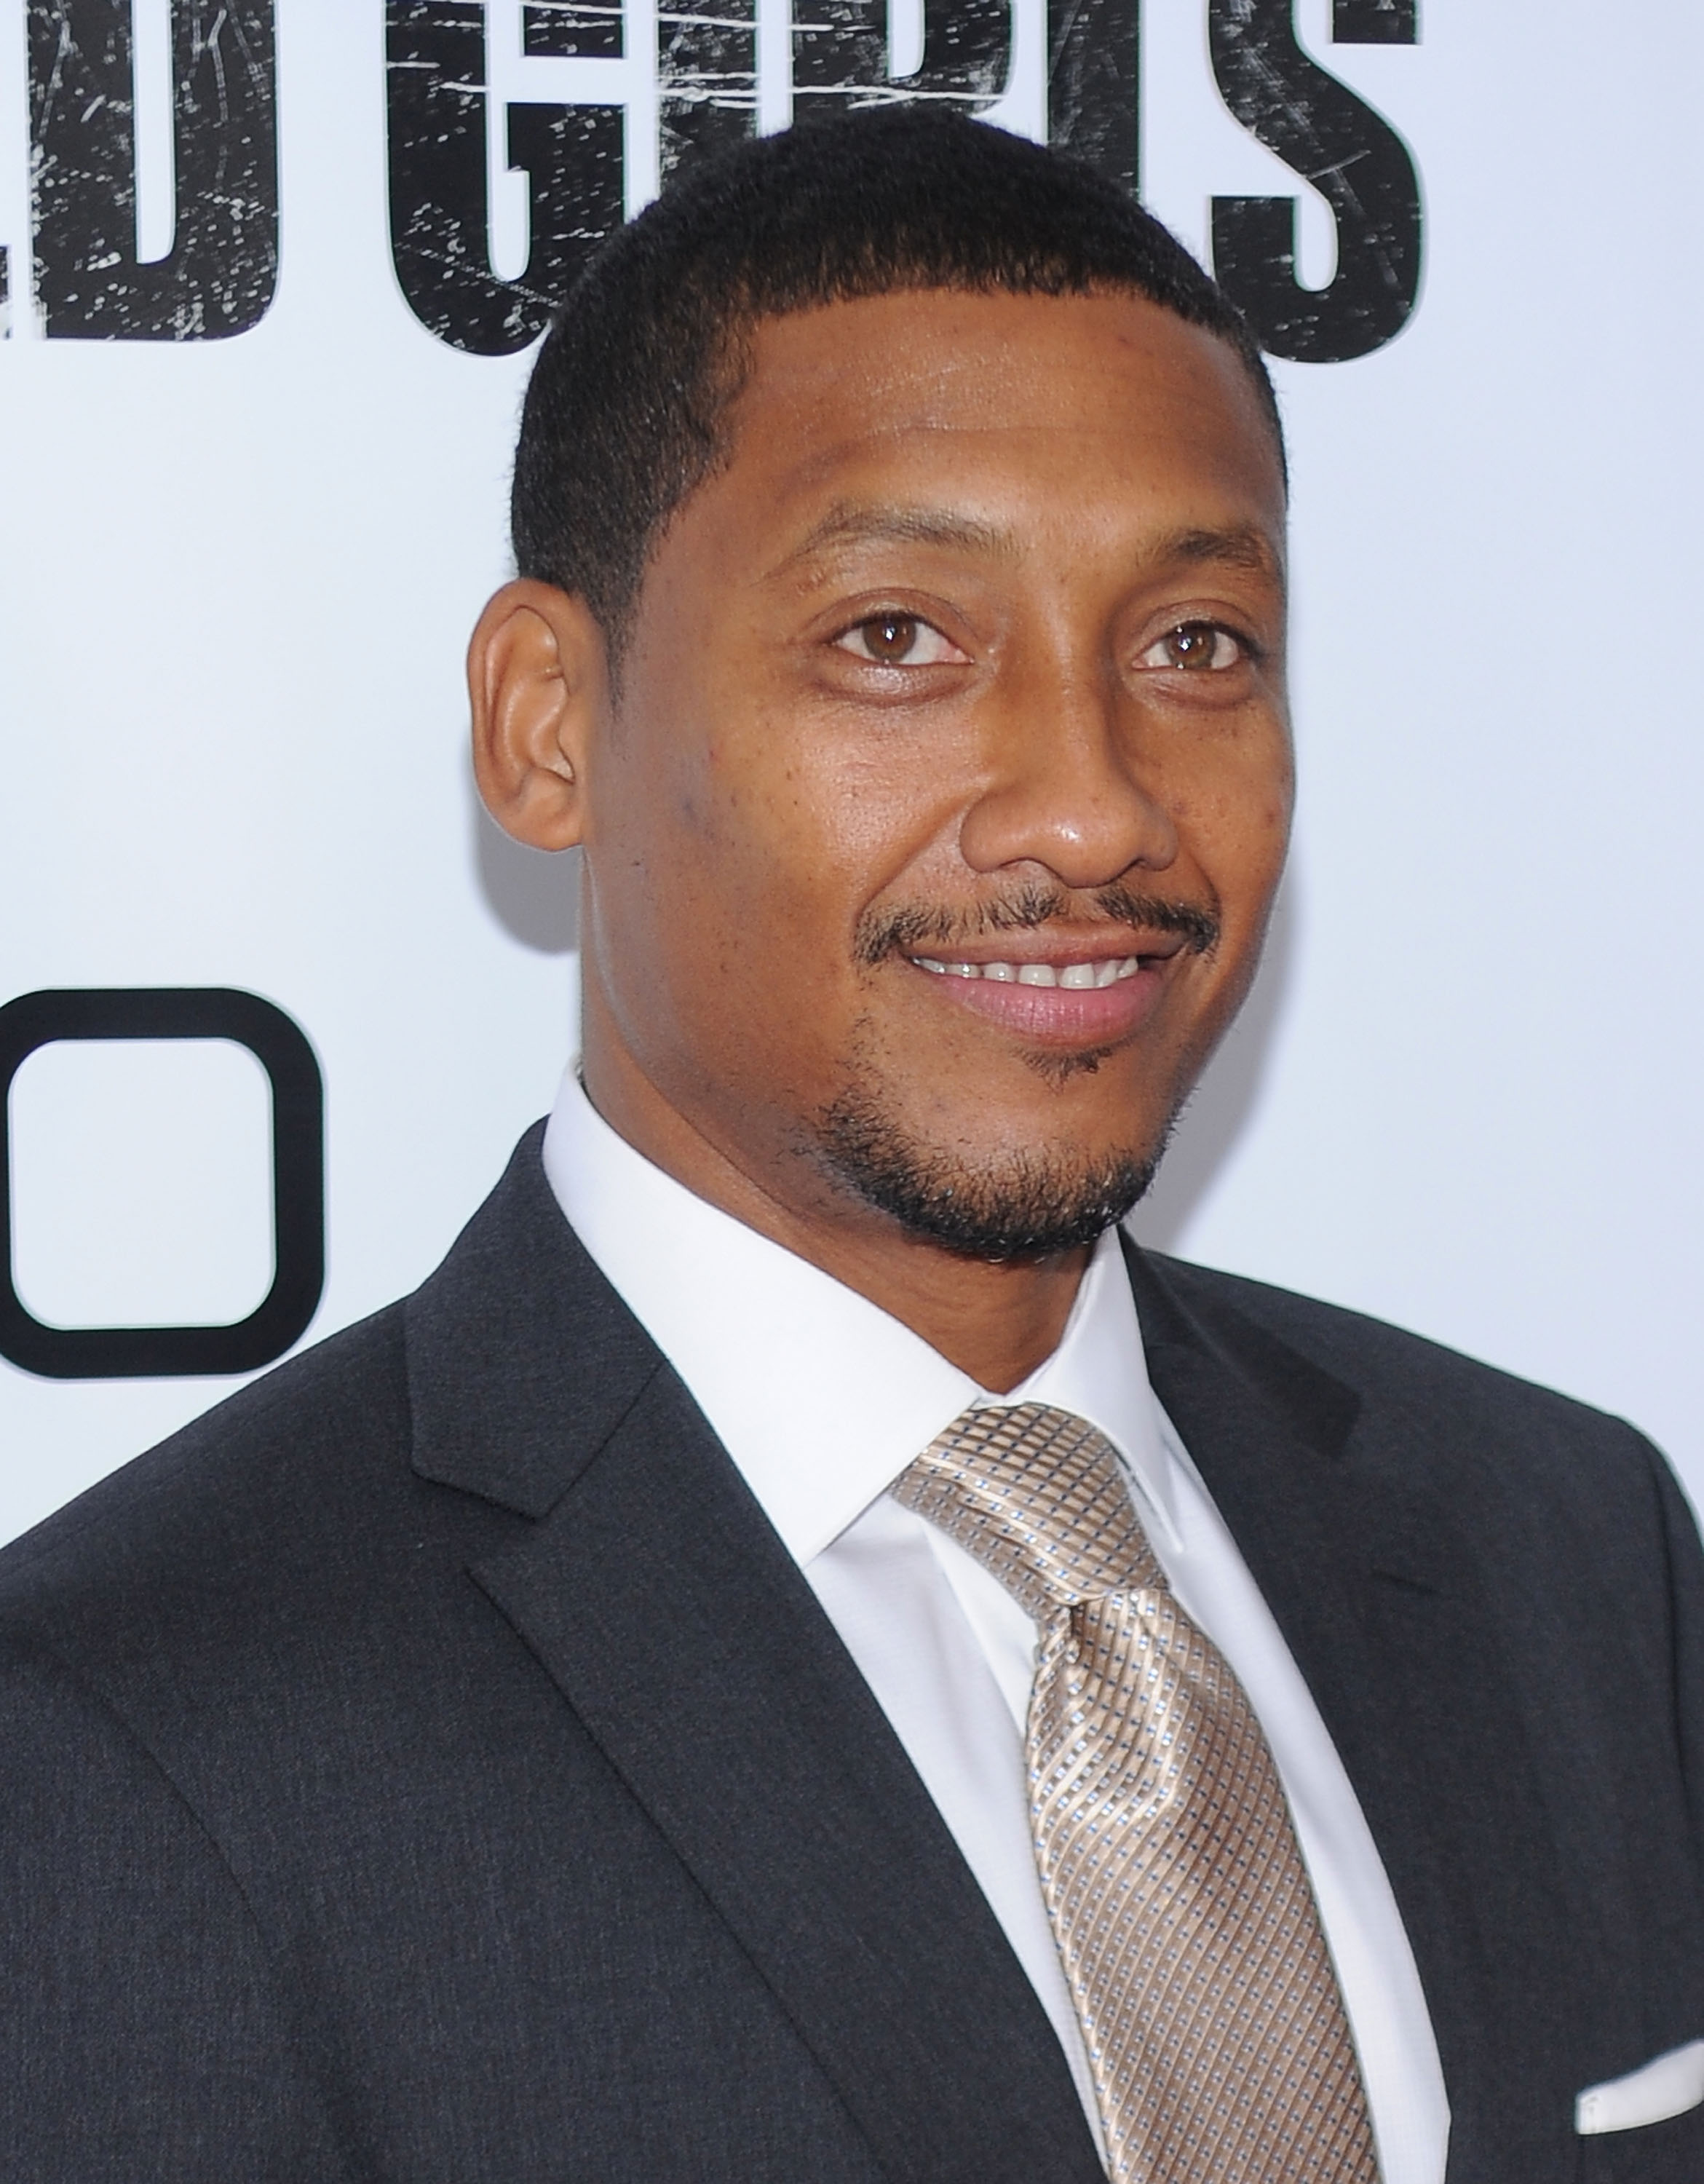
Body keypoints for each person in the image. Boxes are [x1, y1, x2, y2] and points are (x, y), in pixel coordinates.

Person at [3, 107, 1701, 2184]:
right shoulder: (127, 1735)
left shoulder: (1566, 1545)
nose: (1092, 806)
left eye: (1196, 646)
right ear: (549, 722)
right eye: (897, 637)